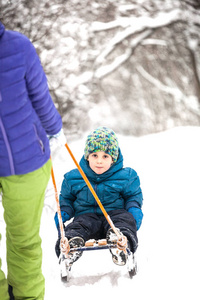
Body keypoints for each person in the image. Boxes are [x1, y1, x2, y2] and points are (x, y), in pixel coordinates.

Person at [0, 21, 64, 300]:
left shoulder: (18, 46)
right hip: (27, 163)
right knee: (24, 242)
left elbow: (40, 97)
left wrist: (55, 130)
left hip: (25, 162)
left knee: (24, 241)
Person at [54, 126, 143, 269]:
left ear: (113, 159)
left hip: (114, 217)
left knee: (124, 220)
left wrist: (133, 209)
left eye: (105, 156)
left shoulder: (126, 177)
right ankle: (70, 246)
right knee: (77, 226)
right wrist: (64, 211)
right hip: (87, 218)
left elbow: (133, 196)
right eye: (94, 155)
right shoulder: (74, 178)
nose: (99, 161)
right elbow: (67, 199)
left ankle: (120, 244)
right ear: (87, 156)